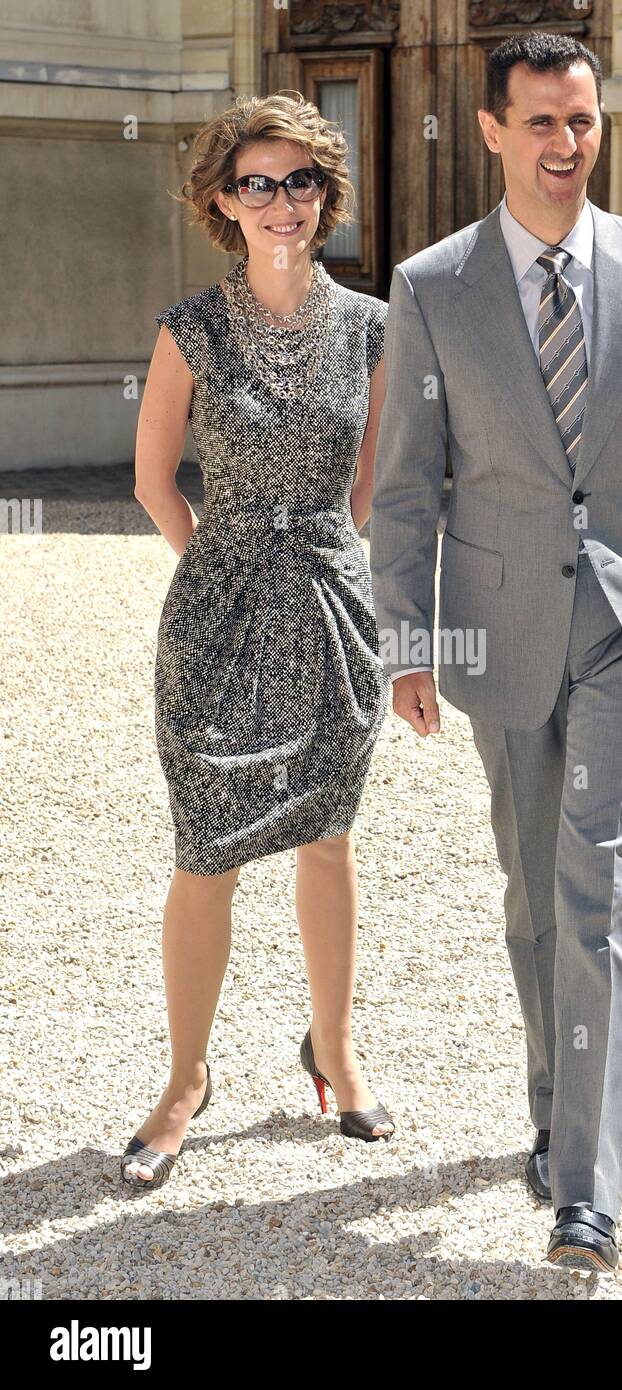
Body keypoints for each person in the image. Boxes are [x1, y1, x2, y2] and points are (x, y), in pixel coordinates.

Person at [369, 32, 622, 1275]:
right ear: (490, 129)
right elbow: (405, 486)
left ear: (600, 124)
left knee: (605, 898)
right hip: (497, 631)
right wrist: (407, 637)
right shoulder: (430, 287)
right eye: (537, 121)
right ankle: (551, 1106)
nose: (561, 144)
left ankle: (586, 1186)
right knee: (537, 899)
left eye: (579, 120)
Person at [124, 91, 394, 1192]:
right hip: (215, 617)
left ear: (324, 196)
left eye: (299, 182)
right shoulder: (189, 328)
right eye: (255, 183)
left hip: (332, 612)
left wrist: (319, 558)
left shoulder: (375, 326)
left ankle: (332, 1046)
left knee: (326, 839)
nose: (279, 202)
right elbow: (151, 482)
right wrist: (225, 565)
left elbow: (374, 480)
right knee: (206, 852)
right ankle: (185, 1078)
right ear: (223, 201)